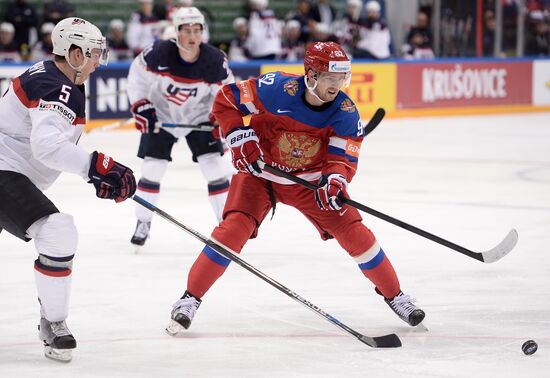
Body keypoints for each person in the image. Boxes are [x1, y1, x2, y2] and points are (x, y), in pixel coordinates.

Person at [165, 41, 425, 335]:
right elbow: (226, 100)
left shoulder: (345, 112)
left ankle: (395, 295)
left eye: (342, 78)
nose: (338, 85)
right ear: (311, 75)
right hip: (260, 174)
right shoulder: (275, 88)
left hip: (310, 183)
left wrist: (335, 180)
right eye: (331, 78)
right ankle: (190, 298)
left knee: (355, 232)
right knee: (231, 231)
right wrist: (238, 135)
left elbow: (341, 159)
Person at [0, 17, 136, 362]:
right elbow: (47, 146)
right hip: (4, 172)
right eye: (92, 54)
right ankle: (54, 322)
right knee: (58, 231)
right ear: (74, 53)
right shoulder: (57, 86)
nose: (97, 61)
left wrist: (94, 175)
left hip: (11, 173)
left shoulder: (52, 75)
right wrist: (97, 167)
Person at [126, 6, 234, 249]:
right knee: (152, 169)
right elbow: (137, 79)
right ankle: (143, 222)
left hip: (199, 117)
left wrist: (221, 117)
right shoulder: (157, 53)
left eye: (197, 30)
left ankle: (227, 226)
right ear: (176, 33)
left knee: (214, 169)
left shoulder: (214, 60)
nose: (193, 36)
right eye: (187, 30)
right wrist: (142, 106)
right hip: (162, 114)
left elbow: (227, 92)